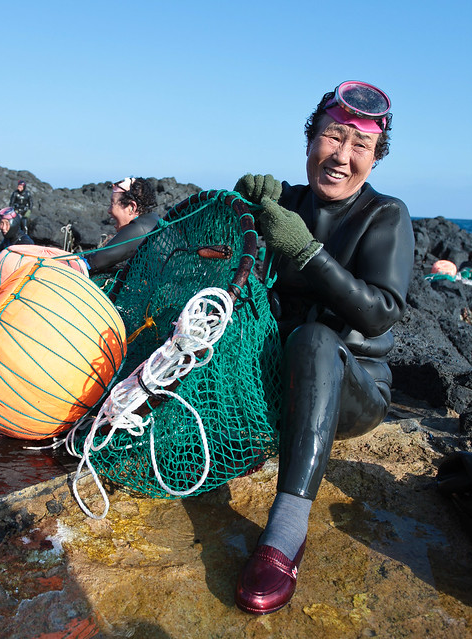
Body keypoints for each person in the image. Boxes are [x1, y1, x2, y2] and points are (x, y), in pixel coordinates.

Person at [232, 80, 415, 615]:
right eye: (333, 138)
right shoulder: (284, 203)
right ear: (309, 140)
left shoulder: (387, 216)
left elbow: (382, 309)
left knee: (315, 338)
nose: (342, 156)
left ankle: (284, 535)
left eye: (360, 146)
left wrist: (308, 252)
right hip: (278, 378)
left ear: (375, 160)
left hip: (352, 388)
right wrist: (240, 208)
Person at [85, 177, 159, 274]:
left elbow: (94, 262)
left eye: (112, 203)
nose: (109, 210)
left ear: (132, 207)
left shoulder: (139, 229)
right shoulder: (153, 220)